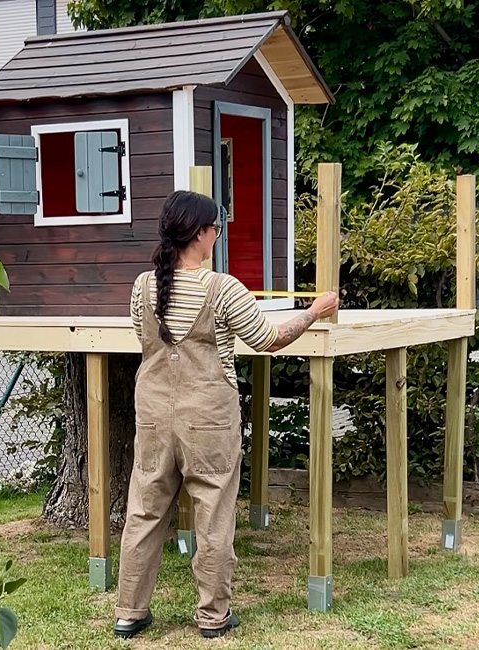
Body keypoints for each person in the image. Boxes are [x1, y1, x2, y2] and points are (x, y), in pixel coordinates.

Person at [113, 190, 340, 639]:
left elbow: (144, 337)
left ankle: (129, 613)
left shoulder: (143, 286)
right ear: (199, 233)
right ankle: (214, 618)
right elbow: (267, 339)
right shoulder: (222, 288)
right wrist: (314, 311)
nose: (218, 234)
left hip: (154, 417)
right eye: (216, 227)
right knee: (212, 516)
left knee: (144, 513)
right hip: (209, 420)